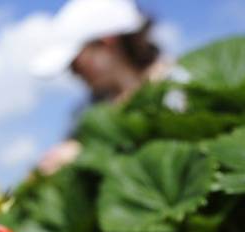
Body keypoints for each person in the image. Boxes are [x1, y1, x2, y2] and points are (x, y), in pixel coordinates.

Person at [31, 0, 169, 174]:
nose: (74, 73)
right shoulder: (88, 113)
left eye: (75, 63)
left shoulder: (182, 86)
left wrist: (86, 154)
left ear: (107, 42)